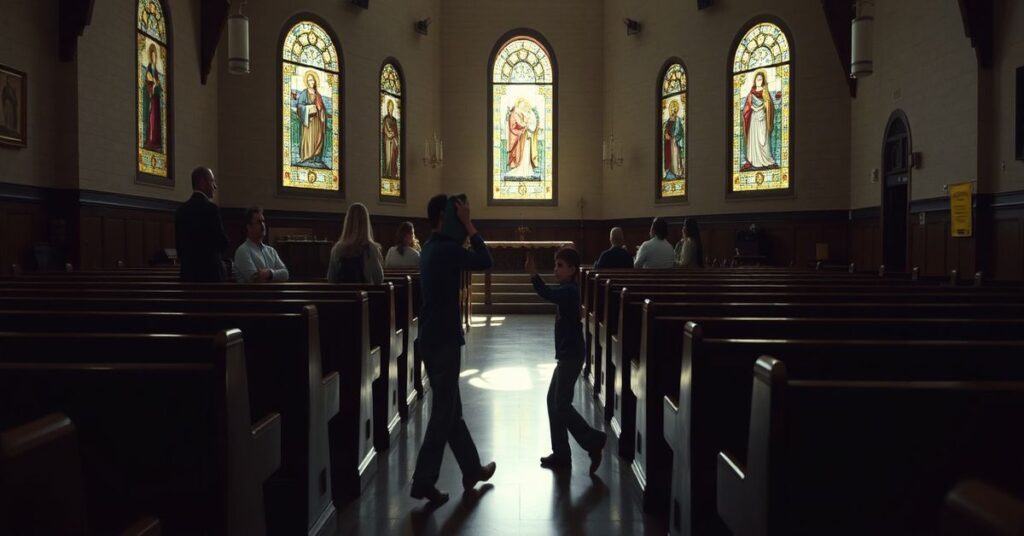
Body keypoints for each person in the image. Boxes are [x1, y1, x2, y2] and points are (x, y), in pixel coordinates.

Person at [411, 194, 496, 505]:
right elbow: (487, 261)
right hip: (444, 340)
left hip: (430, 337)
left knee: (452, 409)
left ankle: (472, 469)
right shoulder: (446, 249)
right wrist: (469, 224)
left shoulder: (430, 248)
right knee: (443, 412)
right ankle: (423, 481)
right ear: (444, 218)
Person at [526, 247, 607, 473]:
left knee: (560, 404)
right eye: (555, 265)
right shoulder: (566, 287)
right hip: (566, 354)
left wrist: (534, 274)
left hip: (571, 355)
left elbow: (547, 293)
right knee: (553, 401)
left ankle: (593, 441)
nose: (556, 269)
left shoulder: (570, 290)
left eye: (561, 265)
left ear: (572, 269)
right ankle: (561, 454)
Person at [175, 167, 229, 282]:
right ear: (202, 182)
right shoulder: (211, 209)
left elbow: (179, 248)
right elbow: (222, 242)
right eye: (212, 181)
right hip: (211, 276)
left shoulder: (181, 210)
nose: (215, 186)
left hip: (188, 277)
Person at [327, 203, 384, 285]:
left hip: (343, 296)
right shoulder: (371, 249)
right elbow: (379, 279)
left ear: (347, 222)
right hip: (365, 295)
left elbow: (331, 278)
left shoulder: (337, 248)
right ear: (366, 223)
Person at [233, 206, 289, 283]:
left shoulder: (271, 251)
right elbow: (255, 279)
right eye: (259, 222)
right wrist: (275, 275)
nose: (263, 225)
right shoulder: (243, 251)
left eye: (263, 221)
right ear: (249, 227)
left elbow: (285, 274)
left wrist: (269, 273)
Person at [741, 70, 777, 170]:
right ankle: (753, 160)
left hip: (762, 117)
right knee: (754, 138)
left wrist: (762, 107)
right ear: (755, 80)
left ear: (763, 80)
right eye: (757, 79)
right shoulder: (751, 92)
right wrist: (751, 108)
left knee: (763, 139)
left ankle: (766, 160)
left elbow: (768, 105)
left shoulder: (765, 91)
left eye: (761, 79)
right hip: (753, 118)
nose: (759, 81)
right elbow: (747, 106)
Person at [295, 71, 327, 165]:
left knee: (318, 137)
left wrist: (322, 112)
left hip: (317, 120)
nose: (312, 82)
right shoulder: (304, 93)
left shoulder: (318, 94)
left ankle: (316, 157)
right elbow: (300, 106)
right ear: (307, 82)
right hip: (308, 121)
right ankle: (307, 156)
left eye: (313, 80)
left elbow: (322, 107)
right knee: (308, 138)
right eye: (309, 80)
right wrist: (308, 108)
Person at [142, 44, 163, 150]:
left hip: (156, 99)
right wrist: (152, 86)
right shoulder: (149, 68)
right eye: (153, 56)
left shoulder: (155, 70)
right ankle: (150, 140)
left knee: (156, 119)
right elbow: (147, 82)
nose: (154, 58)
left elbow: (159, 83)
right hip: (151, 97)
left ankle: (156, 140)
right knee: (152, 118)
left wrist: (157, 85)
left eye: (156, 57)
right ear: (151, 56)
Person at [381, 99, 400, 178]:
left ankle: (393, 174)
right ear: (387, 107)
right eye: (390, 106)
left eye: (392, 106)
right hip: (388, 142)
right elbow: (386, 130)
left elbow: (396, 131)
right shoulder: (385, 119)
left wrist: (396, 138)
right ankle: (388, 174)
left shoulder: (395, 120)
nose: (391, 108)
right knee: (389, 159)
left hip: (394, 141)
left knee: (394, 159)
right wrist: (391, 134)